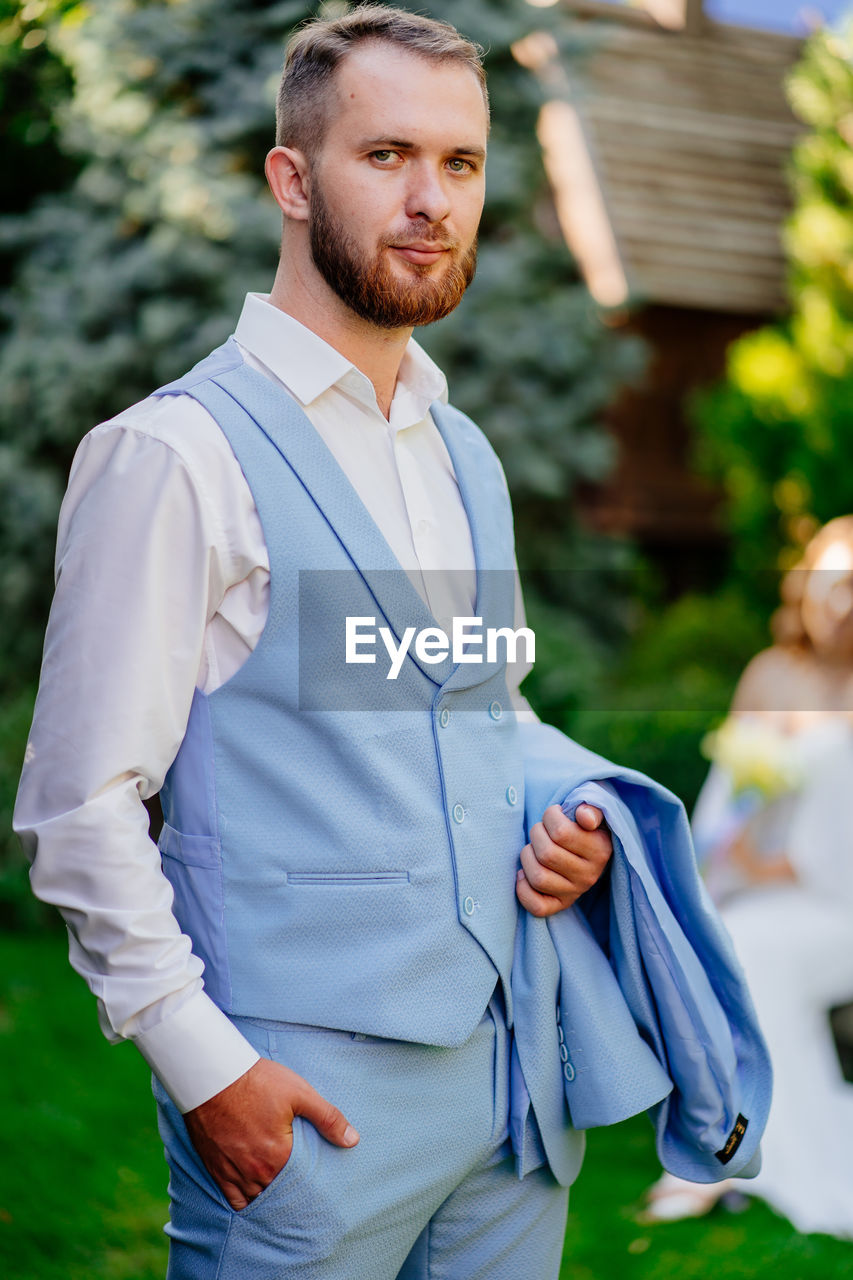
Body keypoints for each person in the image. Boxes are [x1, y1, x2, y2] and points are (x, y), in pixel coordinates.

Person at [13, 8, 618, 1278]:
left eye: (459, 163)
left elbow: (480, 711)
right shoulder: (173, 454)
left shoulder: (465, 453)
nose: (429, 200)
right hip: (302, 1107)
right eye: (384, 154)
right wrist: (206, 1069)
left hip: (512, 1097)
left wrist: (571, 813)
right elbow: (80, 807)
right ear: (292, 178)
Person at [641, 516, 853, 1238]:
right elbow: (730, 796)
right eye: (832, 584)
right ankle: (716, 1147)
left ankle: (749, 1154)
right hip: (763, 889)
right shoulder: (769, 673)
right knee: (720, 934)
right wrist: (718, 862)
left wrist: (783, 866)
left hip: (838, 904)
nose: (841, 602)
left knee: (753, 951)